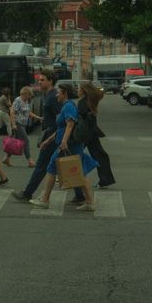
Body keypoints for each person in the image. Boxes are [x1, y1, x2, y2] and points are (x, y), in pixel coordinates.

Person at [30, 82, 97, 211]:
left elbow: (70, 124)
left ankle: (45, 200)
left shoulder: (68, 106)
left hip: (69, 145)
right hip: (71, 144)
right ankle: (89, 202)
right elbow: (61, 128)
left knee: (51, 167)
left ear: (65, 93)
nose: (57, 96)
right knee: (80, 171)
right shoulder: (68, 105)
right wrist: (48, 141)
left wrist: (64, 142)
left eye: (59, 93)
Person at [12, 68, 65, 203]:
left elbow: (61, 119)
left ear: (50, 81)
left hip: (52, 137)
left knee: (42, 166)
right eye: (39, 80)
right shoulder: (48, 95)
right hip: (52, 136)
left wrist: (50, 138)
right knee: (63, 166)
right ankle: (81, 195)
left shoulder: (53, 97)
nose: (39, 82)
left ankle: (27, 193)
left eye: (42, 80)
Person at [4, 85, 35, 167]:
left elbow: (28, 112)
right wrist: (13, 124)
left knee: (14, 142)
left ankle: (6, 158)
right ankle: (30, 161)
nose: (30, 97)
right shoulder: (18, 100)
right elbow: (12, 112)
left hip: (23, 124)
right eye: (29, 95)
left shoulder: (26, 101)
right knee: (26, 140)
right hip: (18, 123)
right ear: (25, 94)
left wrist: (37, 117)